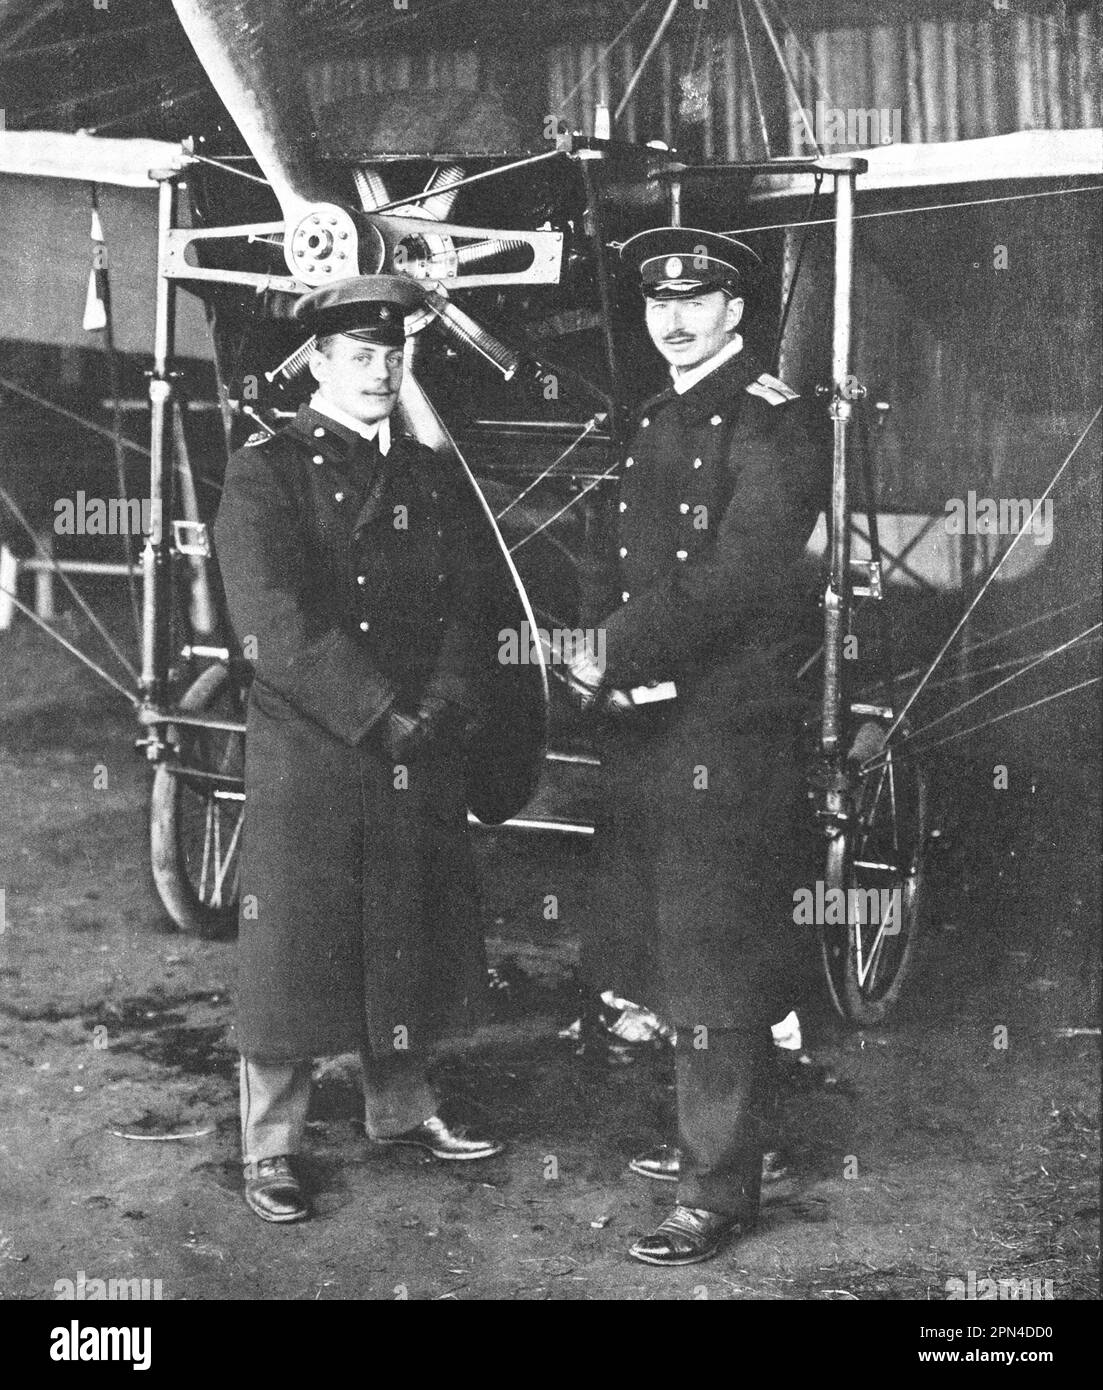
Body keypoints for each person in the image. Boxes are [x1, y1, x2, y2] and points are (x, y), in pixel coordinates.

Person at [214, 275, 505, 1224]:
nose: (379, 371)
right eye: (358, 356)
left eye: (392, 354)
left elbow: (470, 602)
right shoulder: (267, 467)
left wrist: (451, 699)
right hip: (316, 744)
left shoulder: (426, 471)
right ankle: (271, 1148)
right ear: (320, 365)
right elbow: (268, 620)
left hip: (415, 739)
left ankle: (402, 1109)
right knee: (291, 947)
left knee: (405, 927)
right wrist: (379, 712)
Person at [567, 228, 825, 1265]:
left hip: (726, 725)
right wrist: (597, 649)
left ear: (735, 310)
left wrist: (616, 646)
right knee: (661, 946)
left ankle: (715, 1190)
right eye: (655, 302)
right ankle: (712, 1144)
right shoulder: (655, 419)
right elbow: (614, 555)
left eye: (696, 298)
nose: (671, 316)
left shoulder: (776, 424)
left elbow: (739, 572)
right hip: (648, 719)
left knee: (715, 954)